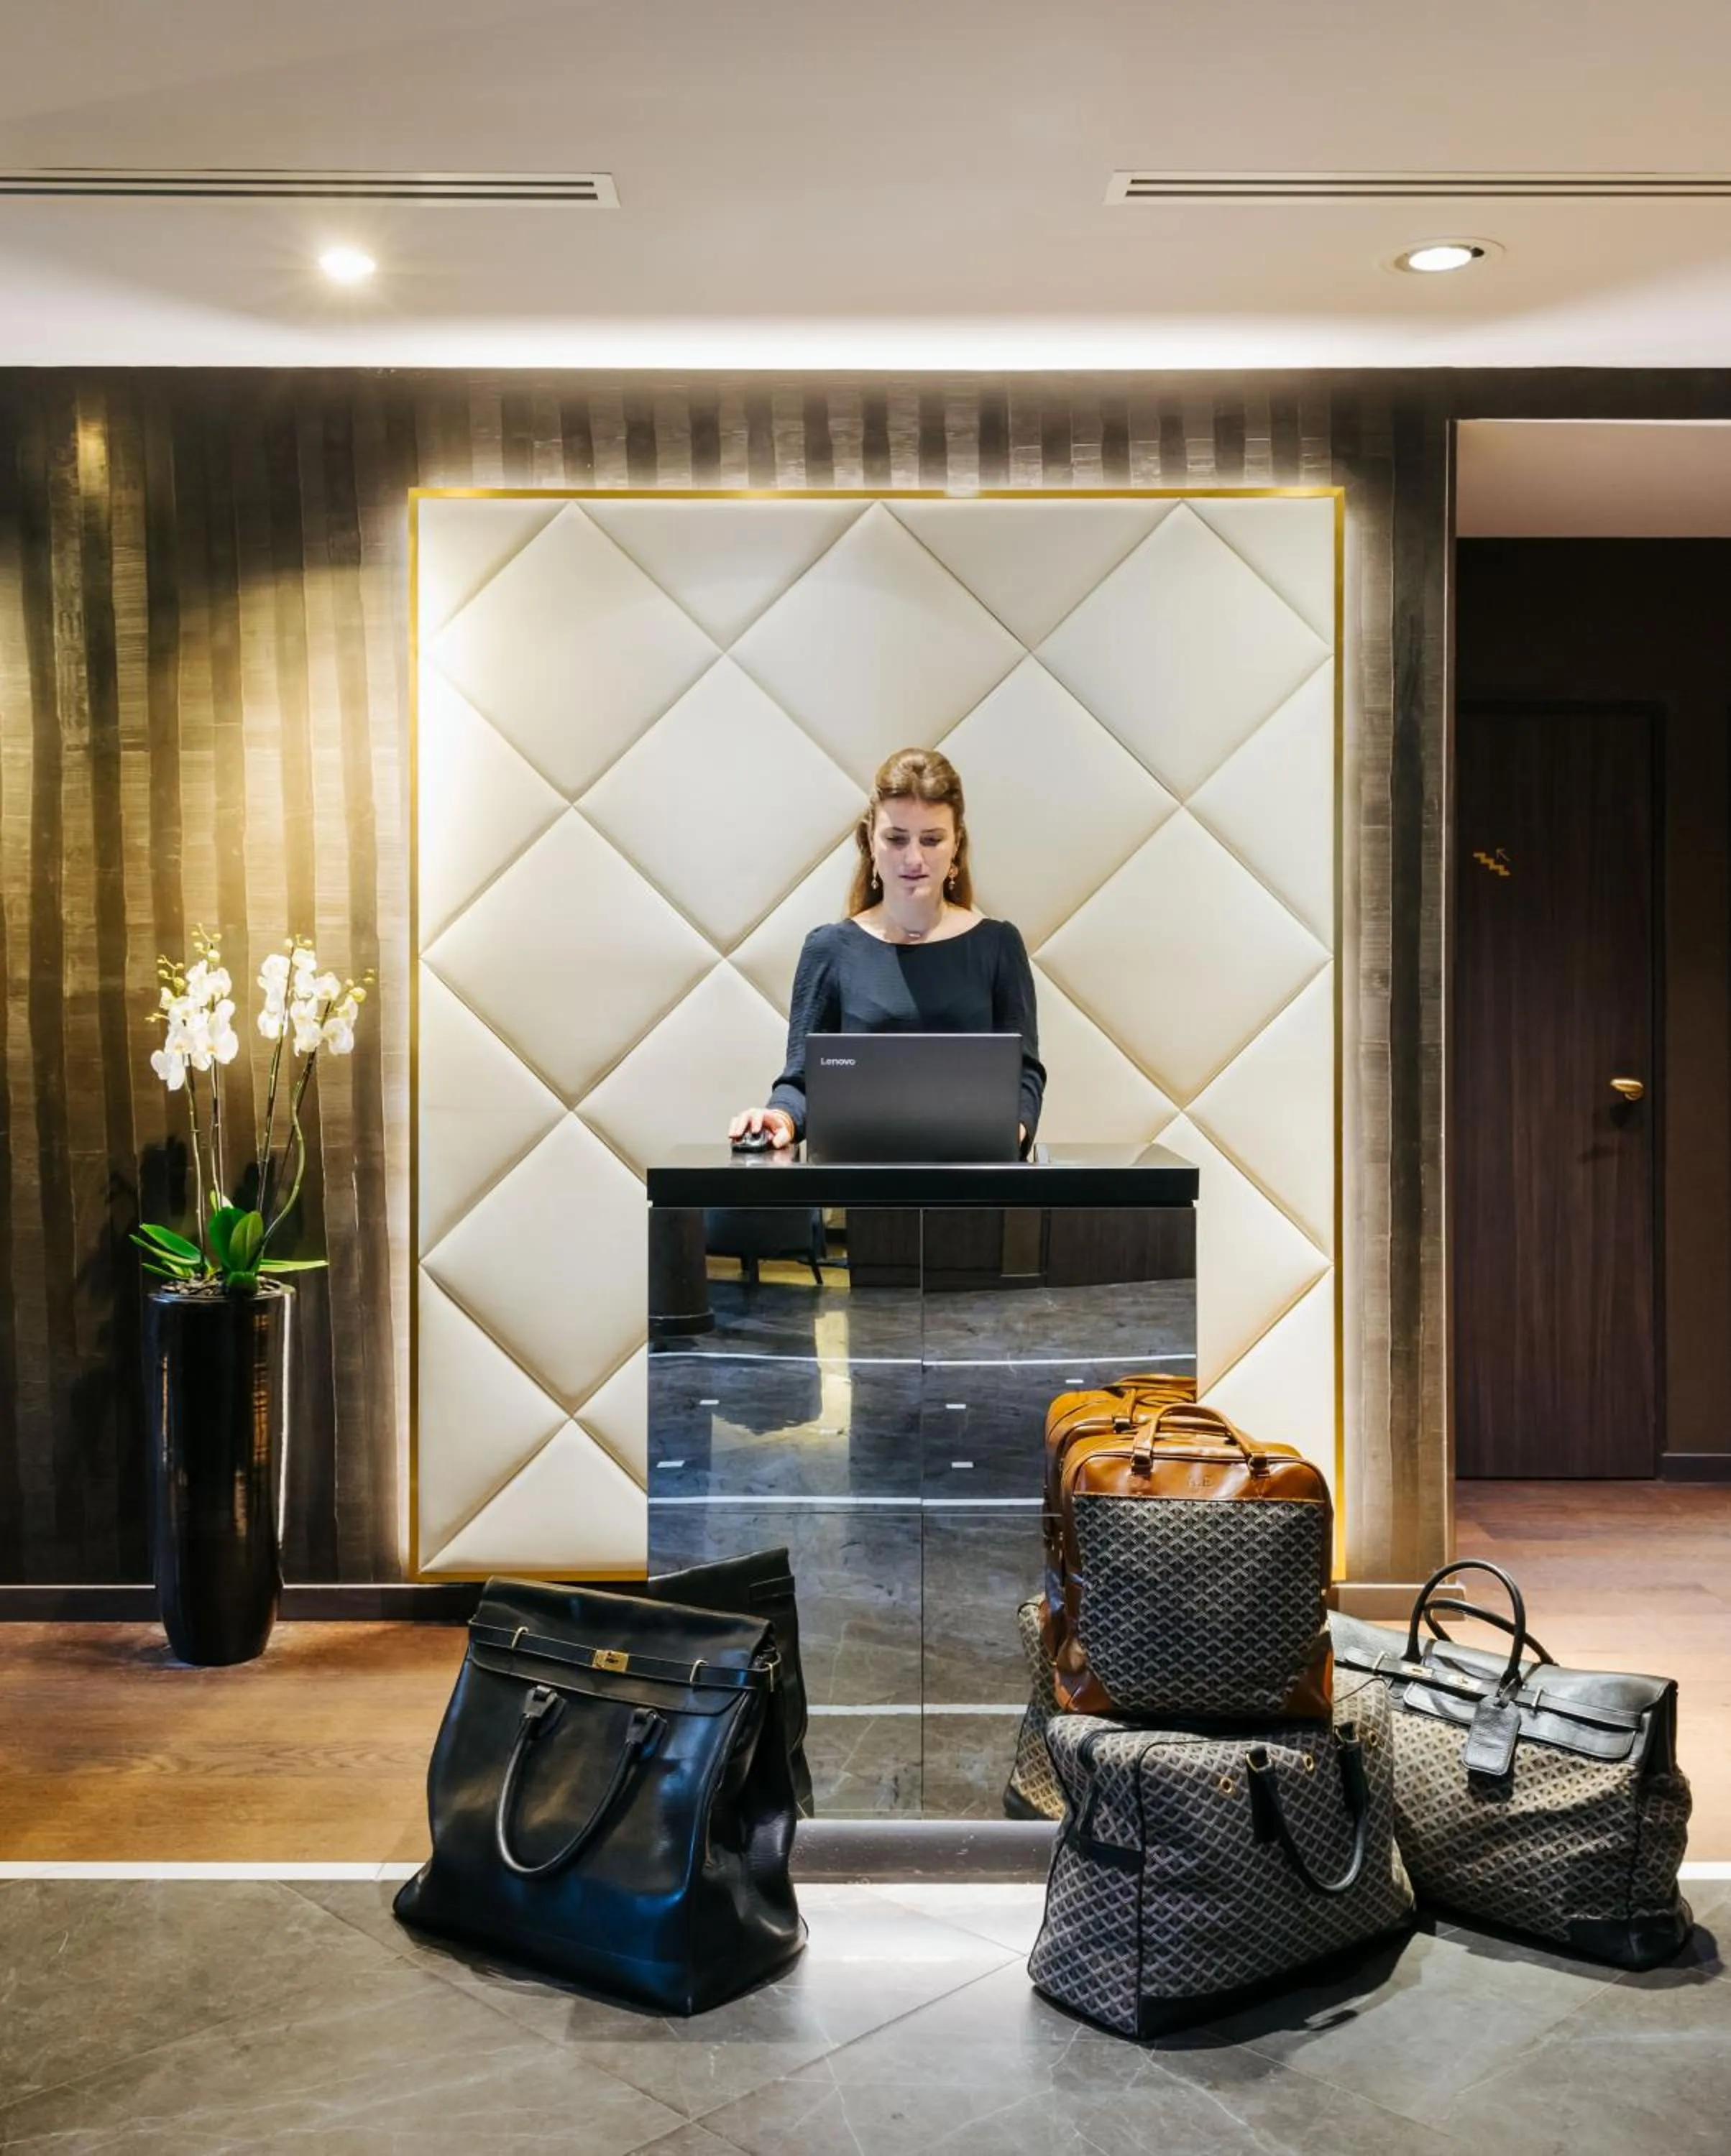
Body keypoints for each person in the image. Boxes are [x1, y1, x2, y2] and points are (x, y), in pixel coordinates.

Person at [728, 746, 1045, 1153]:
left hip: (975, 1191)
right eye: (896, 839)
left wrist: (1008, 1132)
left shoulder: (998, 945)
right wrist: (779, 1117)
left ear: (956, 846)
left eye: (932, 840)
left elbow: (1025, 1074)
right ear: (870, 843)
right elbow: (802, 1081)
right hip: (857, 1196)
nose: (914, 858)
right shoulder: (829, 949)